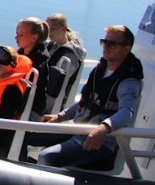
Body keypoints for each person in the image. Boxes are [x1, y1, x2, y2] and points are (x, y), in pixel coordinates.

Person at [36, 25, 143, 168]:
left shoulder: (128, 82)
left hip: (99, 142)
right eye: (104, 42)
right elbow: (86, 102)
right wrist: (60, 116)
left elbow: (127, 112)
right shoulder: (102, 69)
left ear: (126, 48)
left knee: (47, 157)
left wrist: (104, 128)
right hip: (80, 129)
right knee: (29, 135)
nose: (106, 47)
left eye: (112, 44)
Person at [41, 13, 88, 115]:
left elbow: (58, 83)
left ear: (64, 28)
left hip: (54, 101)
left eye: (52, 28)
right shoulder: (50, 46)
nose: (49, 32)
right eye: (47, 29)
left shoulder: (70, 56)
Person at [15, 17, 51, 120]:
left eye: (20, 35)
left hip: (29, 110)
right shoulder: (19, 54)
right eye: (17, 34)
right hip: (16, 106)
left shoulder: (39, 62)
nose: (16, 38)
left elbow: (26, 92)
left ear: (34, 38)